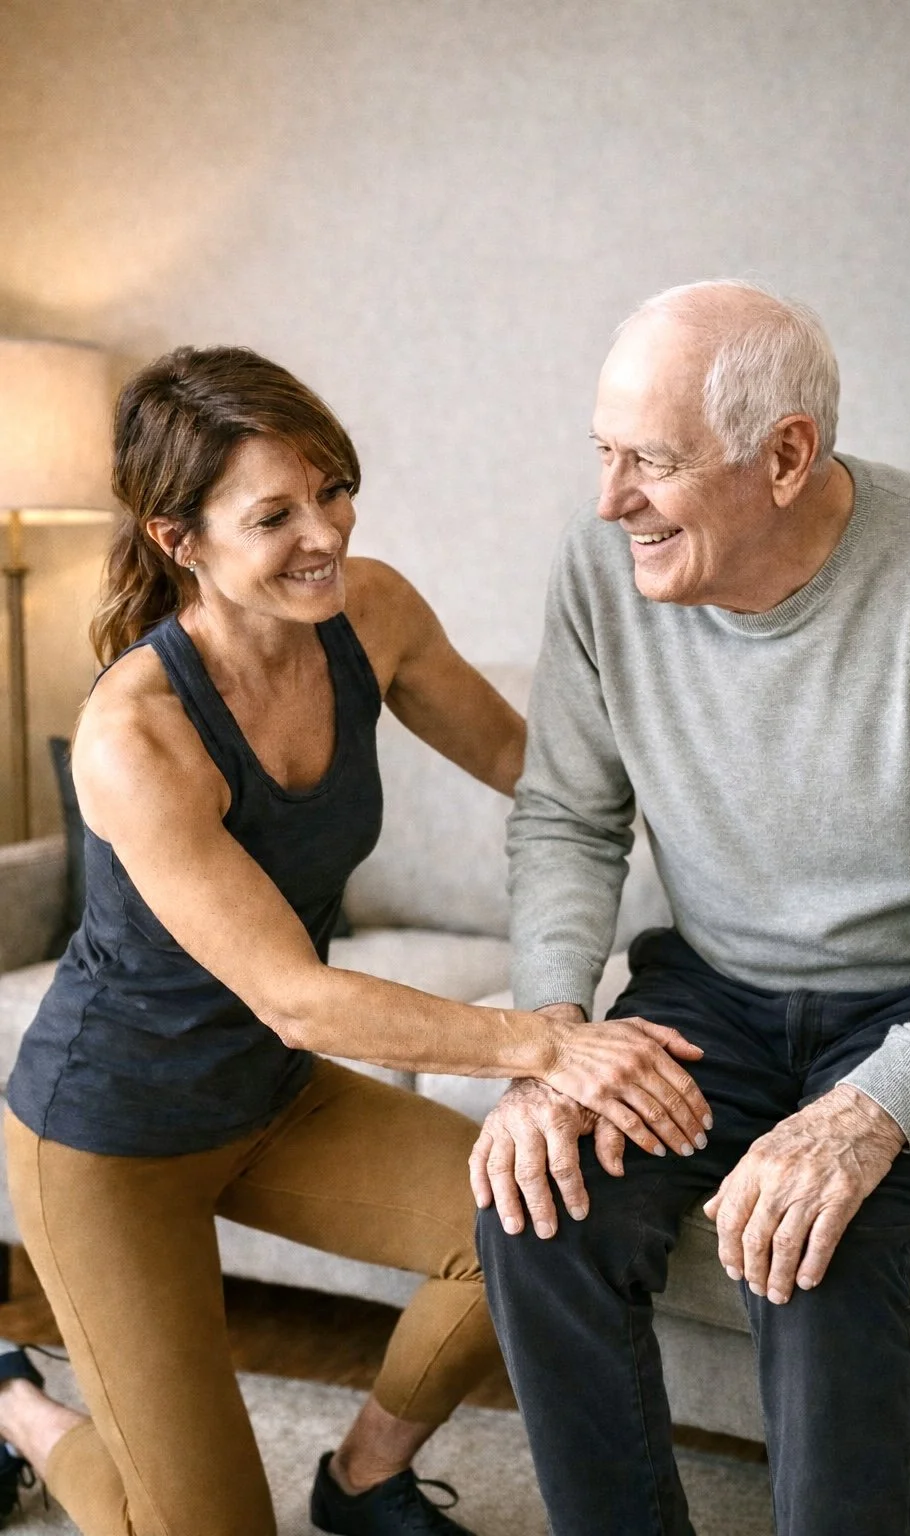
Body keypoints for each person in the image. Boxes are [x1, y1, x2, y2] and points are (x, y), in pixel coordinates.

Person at [0, 345, 710, 1536]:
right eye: (275, 514)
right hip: (109, 1139)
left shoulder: (366, 613)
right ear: (181, 541)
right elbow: (299, 997)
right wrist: (544, 1047)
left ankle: (364, 1475)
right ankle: (21, 1407)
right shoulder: (139, 733)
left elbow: (534, 772)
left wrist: (737, 797)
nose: (325, 531)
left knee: (533, 1235)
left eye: (332, 489)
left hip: (271, 1103)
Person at [472, 280, 910, 1536]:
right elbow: (568, 815)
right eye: (602, 456)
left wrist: (866, 1115)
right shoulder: (599, 564)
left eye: (649, 465)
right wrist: (550, 1034)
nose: (611, 502)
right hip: (710, 990)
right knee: (541, 1201)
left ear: (785, 456)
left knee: (816, 1254)